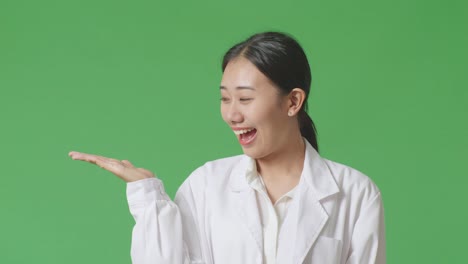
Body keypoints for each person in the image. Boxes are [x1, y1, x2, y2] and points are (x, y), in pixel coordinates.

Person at [69, 32, 386, 264]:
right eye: (225, 98)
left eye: (245, 99)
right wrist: (147, 197)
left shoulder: (356, 193)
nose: (232, 115)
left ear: (293, 101)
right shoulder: (206, 185)